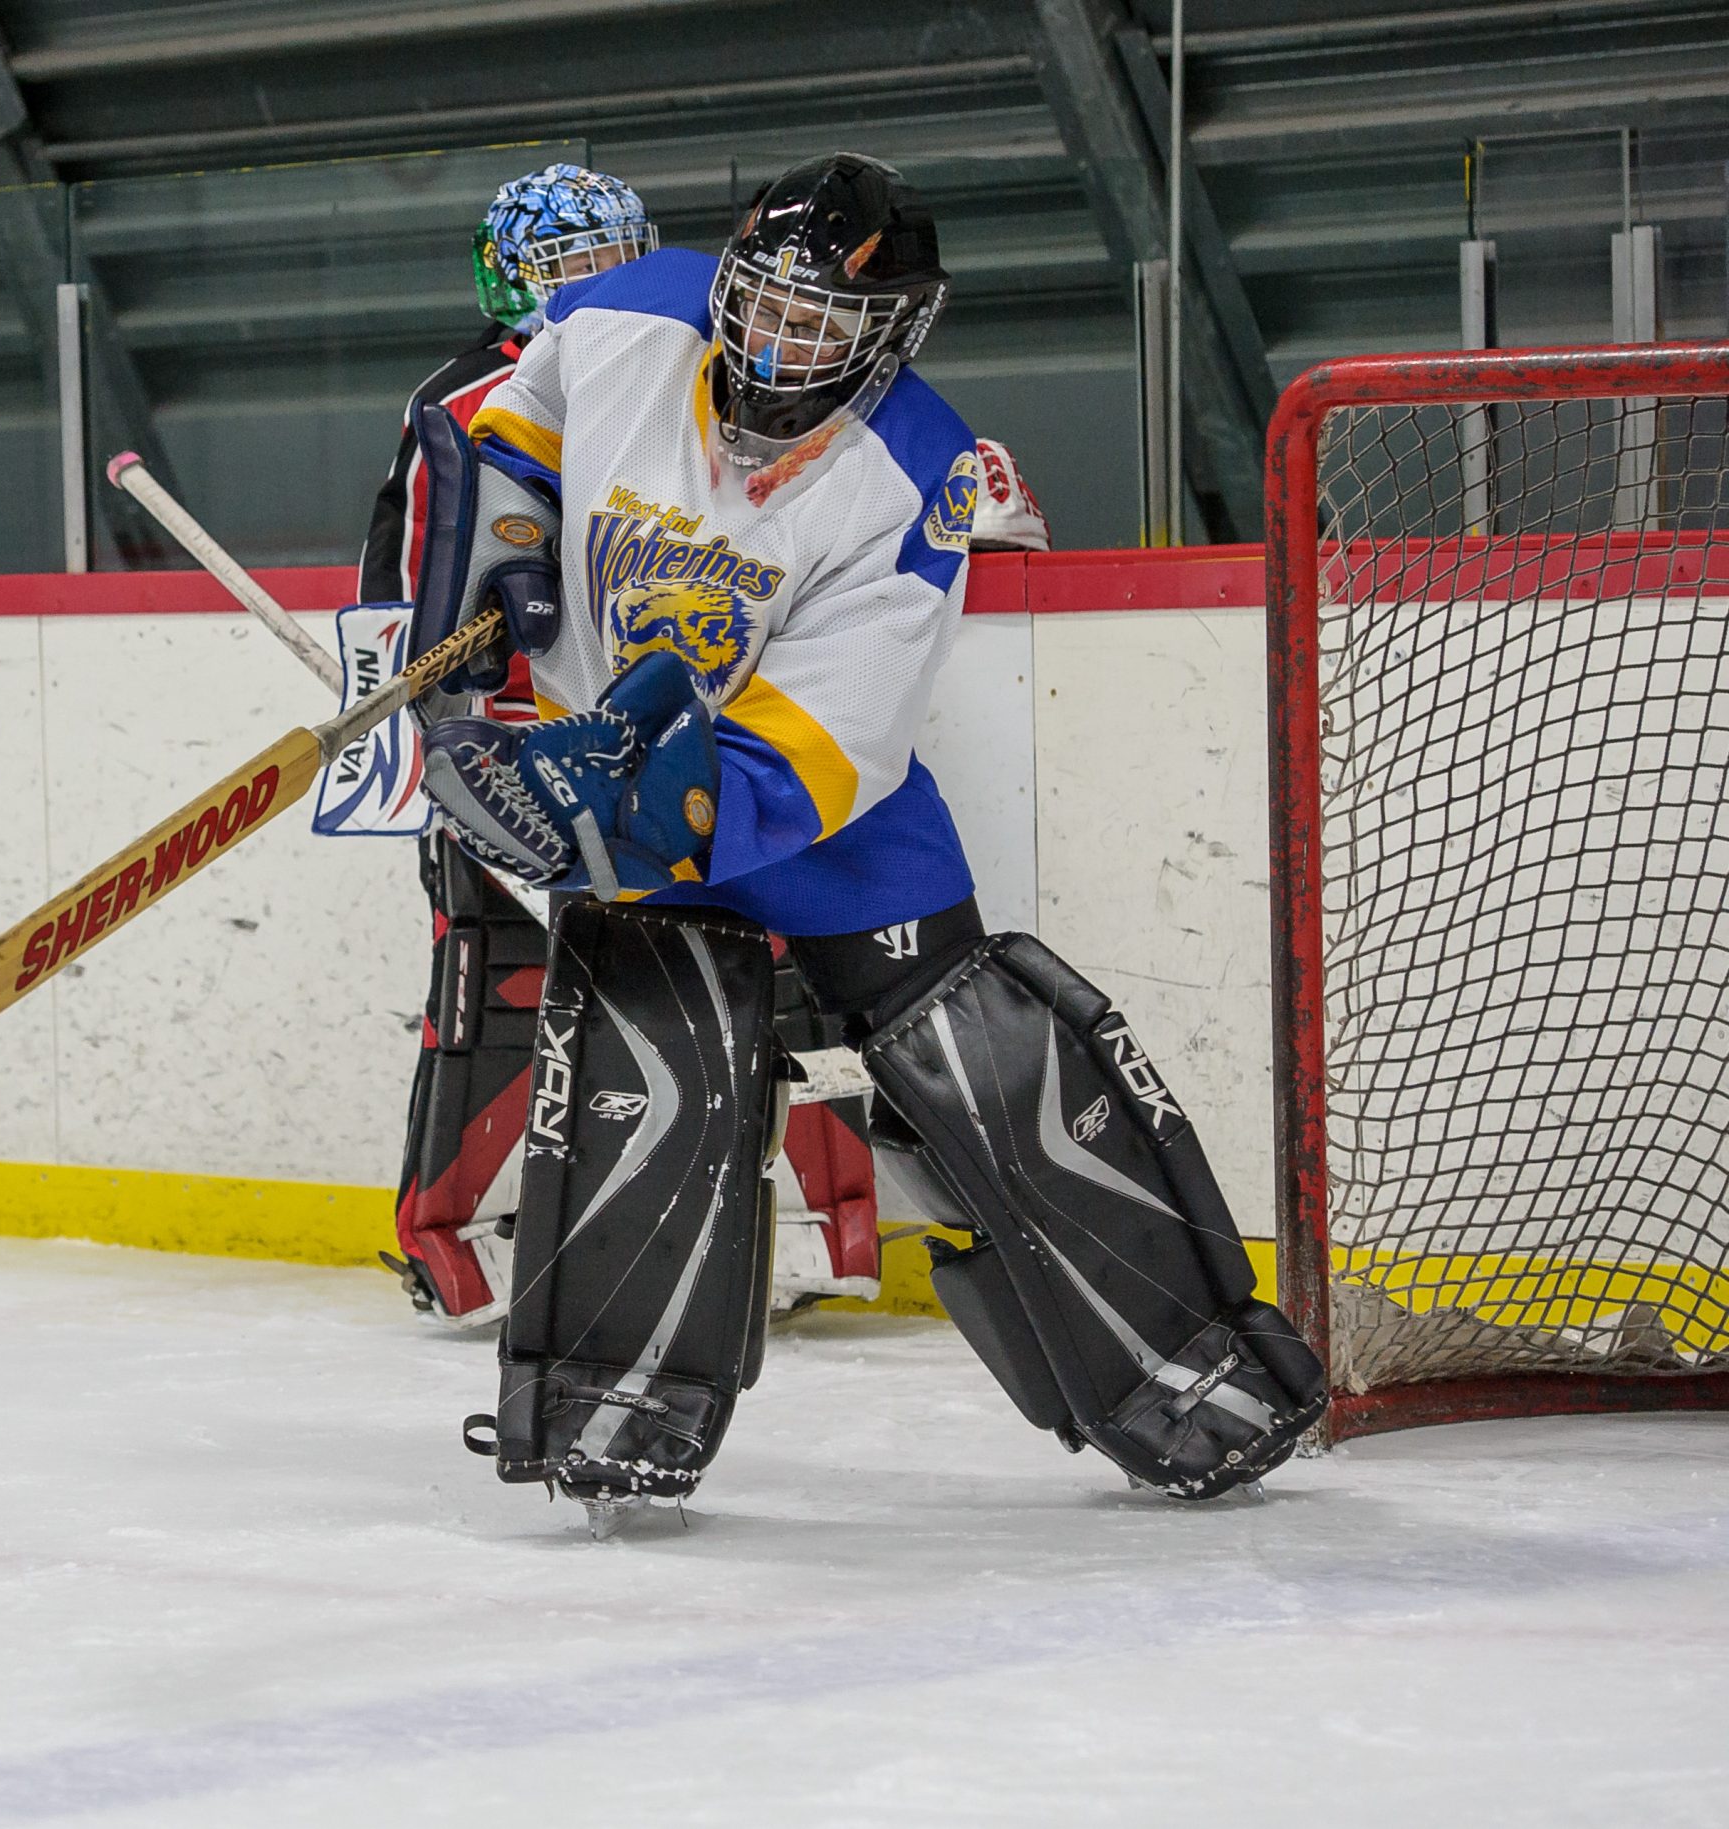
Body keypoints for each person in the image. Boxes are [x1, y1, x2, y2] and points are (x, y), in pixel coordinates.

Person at [402, 153, 1323, 1522]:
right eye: (764, 305)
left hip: (825, 826)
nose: (778, 342)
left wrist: (619, 808)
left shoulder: (920, 473)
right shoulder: (630, 313)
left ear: (887, 334)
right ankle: (611, 1408)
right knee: (651, 1077)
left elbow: (824, 744)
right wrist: (515, 549)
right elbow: (512, 425)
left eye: (820, 324)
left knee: (987, 1075)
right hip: (623, 799)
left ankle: (1188, 1372)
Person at [362, 163, 894, 1330]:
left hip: (701, 750)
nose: (591, 289)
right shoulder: (460, 402)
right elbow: (413, 590)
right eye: (561, 271)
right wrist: (445, 718)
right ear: (507, 281)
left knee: (778, 976)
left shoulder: (711, 363)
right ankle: (457, 1242)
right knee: (501, 986)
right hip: (514, 754)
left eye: (608, 262)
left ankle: (817, 1229)